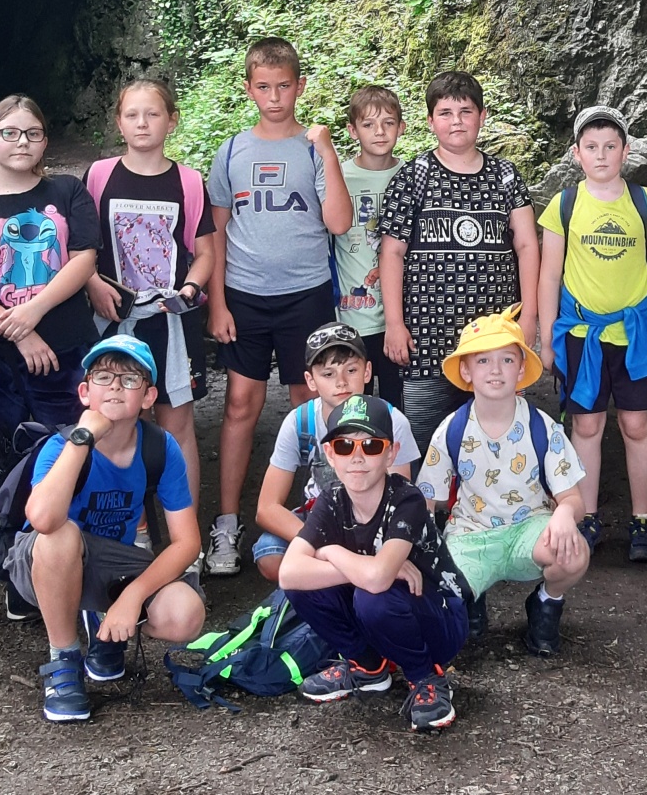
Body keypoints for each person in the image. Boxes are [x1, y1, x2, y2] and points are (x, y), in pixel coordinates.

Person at [204, 38, 353, 575]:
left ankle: (316, 513)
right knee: (240, 404)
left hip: (306, 293)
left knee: (307, 402)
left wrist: (328, 152)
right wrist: (218, 303)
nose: (274, 97)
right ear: (248, 89)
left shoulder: (313, 149)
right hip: (244, 295)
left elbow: (339, 222)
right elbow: (215, 234)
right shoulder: (231, 151)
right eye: (263, 87)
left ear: (300, 86)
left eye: (284, 86)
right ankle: (227, 523)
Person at [8, 337, 205, 722]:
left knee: (185, 613)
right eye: (103, 377)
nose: (115, 386)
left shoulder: (160, 447)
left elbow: (187, 542)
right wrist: (83, 439)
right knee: (61, 535)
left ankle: (104, 628)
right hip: (42, 564)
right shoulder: (61, 445)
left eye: (129, 379)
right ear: (85, 393)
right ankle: (63, 660)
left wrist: (133, 596)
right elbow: (43, 520)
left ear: (148, 397)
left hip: (112, 564)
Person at [279, 394, 470, 733]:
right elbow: (289, 573)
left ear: (391, 453)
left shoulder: (407, 499)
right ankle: (368, 666)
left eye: (370, 445)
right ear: (329, 454)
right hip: (385, 609)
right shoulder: (332, 500)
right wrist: (360, 565)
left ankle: (425, 676)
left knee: (372, 595)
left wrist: (332, 553)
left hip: (440, 619)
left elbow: (379, 580)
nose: (357, 457)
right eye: (344, 446)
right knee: (306, 588)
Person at [537, 104, 647, 561]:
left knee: (637, 423)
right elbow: (549, 275)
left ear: (626, 150)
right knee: (586, 424)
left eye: (610, 146)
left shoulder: (646, 203)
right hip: (583, 334)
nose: (601, 155)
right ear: (576, 153)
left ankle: (641, 520)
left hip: (636, 334)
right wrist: (546, 339)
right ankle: (587, 517)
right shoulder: (564, 205)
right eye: (592, 147)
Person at [416, 308, 589, 655]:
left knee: (573, 553)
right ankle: (471, 596)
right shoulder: (452, 429)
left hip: (530, 529)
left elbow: (574, 500)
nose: (495, 370)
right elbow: (427, 499)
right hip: (471, 533)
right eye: (483, 361)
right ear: (466, 371)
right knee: (445, 596)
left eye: (507, 360)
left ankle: (546, 602)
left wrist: (563, 514)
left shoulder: (542, 427)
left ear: (521, 369)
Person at [378, 70, 537, 444]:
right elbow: (392, 251)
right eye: (446, 113)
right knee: (425, 441)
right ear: (430, 120)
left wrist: (529, 317)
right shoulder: (413, 177)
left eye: (466, 112)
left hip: (494, 339)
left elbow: (527, 245)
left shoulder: (505, 176)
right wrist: (394, 323)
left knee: (497, 438)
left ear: (482, 116)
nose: (457, 121)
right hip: (426, 338)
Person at [83, 79, 217, 515]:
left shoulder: (188, 182)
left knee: (177, 426)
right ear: (119, 122)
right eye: (132, 115)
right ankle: (131, 528)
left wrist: (190, 289)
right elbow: (81, 246)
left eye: (153, 114)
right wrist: (93, 283)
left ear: (171, 121)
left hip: (170, 320)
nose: (142, 123)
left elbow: (205, 252)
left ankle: (186, 530)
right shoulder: (99, 176)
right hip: (114, 317)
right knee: (120, 422)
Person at [0, 94, 99, 434]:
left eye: (33, 133)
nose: (22, 142)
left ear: (44, 142)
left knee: (70, 443)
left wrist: (33, 310)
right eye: (10, 133)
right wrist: (22, 333)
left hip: (65, 343)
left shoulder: (68, 190)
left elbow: (84, 260)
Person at [251, 322, 422, 581]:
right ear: (310, 380)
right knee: (269, 554)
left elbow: (398, 500)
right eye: (328, 374)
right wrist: (323, 544)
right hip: (319, 520)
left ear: (367, 371)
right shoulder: (300, 422)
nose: (341, 382)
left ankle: (340, 578)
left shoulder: (392, 421)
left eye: (351, 370)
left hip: (374, 522)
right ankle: (357, 577)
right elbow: (266, 508)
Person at [333, 84, 406, 406]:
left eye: (388, 123)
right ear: (353, 130)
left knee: (396, 402)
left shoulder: (412, 176)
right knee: (352, 403)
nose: (379, 132)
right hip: (351, 316)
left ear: (401, 127)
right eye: (368, 124)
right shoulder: (339, 178)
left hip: (400, 317)